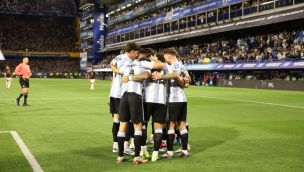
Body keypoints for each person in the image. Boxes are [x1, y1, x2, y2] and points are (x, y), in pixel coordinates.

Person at [116, 45, 163, 164]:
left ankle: (120, 156)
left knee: (122, 125)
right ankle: (137, 157)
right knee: (137, 126)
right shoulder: (142, 63)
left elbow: (117, 71)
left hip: (124, 95)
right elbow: (152, 71)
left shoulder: (126, 65)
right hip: (135, 95)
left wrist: (128, 77)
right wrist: (153, 59)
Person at [152, 48, 190, 158]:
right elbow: (188, 80)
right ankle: (184, 150)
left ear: (169, 56)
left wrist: (161, 76)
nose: (165, 60)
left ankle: (169, 152)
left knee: (171, 125)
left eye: (165, 58)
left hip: (174, 99)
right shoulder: (182, 65)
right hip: (182, 99)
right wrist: (184, 81)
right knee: (182, 125)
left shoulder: (176, 64)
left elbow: (174, 75)